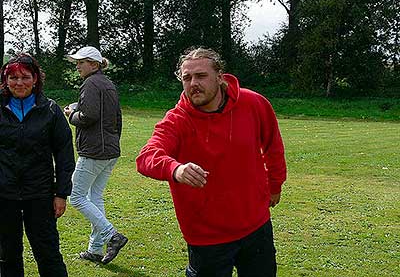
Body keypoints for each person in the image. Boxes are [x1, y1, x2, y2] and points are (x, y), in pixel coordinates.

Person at [136, 47, 287, 277]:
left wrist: (275, 184)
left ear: (219, 76)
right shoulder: (177, 120)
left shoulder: (253, 103)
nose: (193, 83)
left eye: (201, 76)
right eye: (187, 78)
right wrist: (176, 169)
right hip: (206, 236)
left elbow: (273, 146)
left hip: (256, 226)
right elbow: (146, 156)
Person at [0, 53, 75, 277]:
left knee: (48, 254)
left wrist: (61, 193)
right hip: (4, 195)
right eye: (13, 77)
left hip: (40, 195)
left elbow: (64, 155)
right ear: (5, 80)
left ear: (35, 79)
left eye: (25, 77)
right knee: (8, 255)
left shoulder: (50, 110)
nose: (19, 83)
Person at [63, 46, 127, 265]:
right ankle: (95, 249)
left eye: (81, 62)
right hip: (110, 150)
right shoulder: (107, 83)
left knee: (77, 197)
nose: (78, 66)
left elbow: (88, 116)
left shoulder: (91, 83)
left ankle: (113, 237)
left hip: (94, 151)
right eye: (77, 62)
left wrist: (72, 114)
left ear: (94, 64)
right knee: (94, 198)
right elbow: (117, 118)